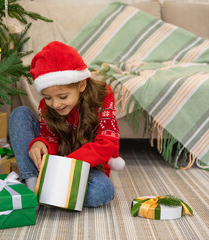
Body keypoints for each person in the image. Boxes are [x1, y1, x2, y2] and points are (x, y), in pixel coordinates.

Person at [8, 41, 124, 207]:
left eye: (62, 97)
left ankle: (50, 191)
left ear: (81, 84)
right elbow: (51, 139)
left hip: (85, 165)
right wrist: (41, 143)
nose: (55, 104)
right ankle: (33, 186)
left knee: (102, 191)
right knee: (20, 114)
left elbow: (108, 142)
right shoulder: (46, 107)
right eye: (48, 98)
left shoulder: (102, 97)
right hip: (54, 164)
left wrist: (65, 167)